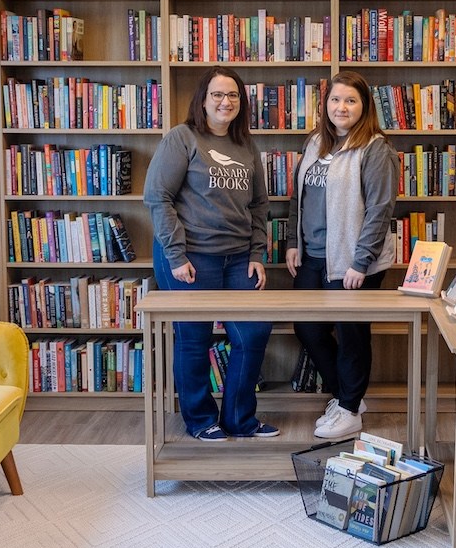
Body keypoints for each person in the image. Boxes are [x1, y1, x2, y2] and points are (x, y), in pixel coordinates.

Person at [143, 65, 278, 441]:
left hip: (237, 258)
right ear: (203, 99)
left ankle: (239, 419)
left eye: (233, 95)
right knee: (194, 338)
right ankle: (201, 420)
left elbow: (259, 205)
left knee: (252, 334)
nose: (225, 101)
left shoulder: (246, 144)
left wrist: (256, 253)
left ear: (241, 102)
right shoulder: (181, 138)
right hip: (190, 257)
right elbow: (157, 197)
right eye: (217, 94)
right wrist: (175, 255)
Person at [286, 71, 399, 439]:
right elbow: (297, 198)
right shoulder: (316, 142)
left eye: (351, 100)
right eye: (335, 100)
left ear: (363, 106)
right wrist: (292, 241)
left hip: (352, 261)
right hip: (313, 256)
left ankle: (350, 412)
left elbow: (380, 209)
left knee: (352, 333)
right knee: (307, 328)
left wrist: (360, 263)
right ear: (326, 105)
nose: (342, 107)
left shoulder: (375, 148)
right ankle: (349, 395)